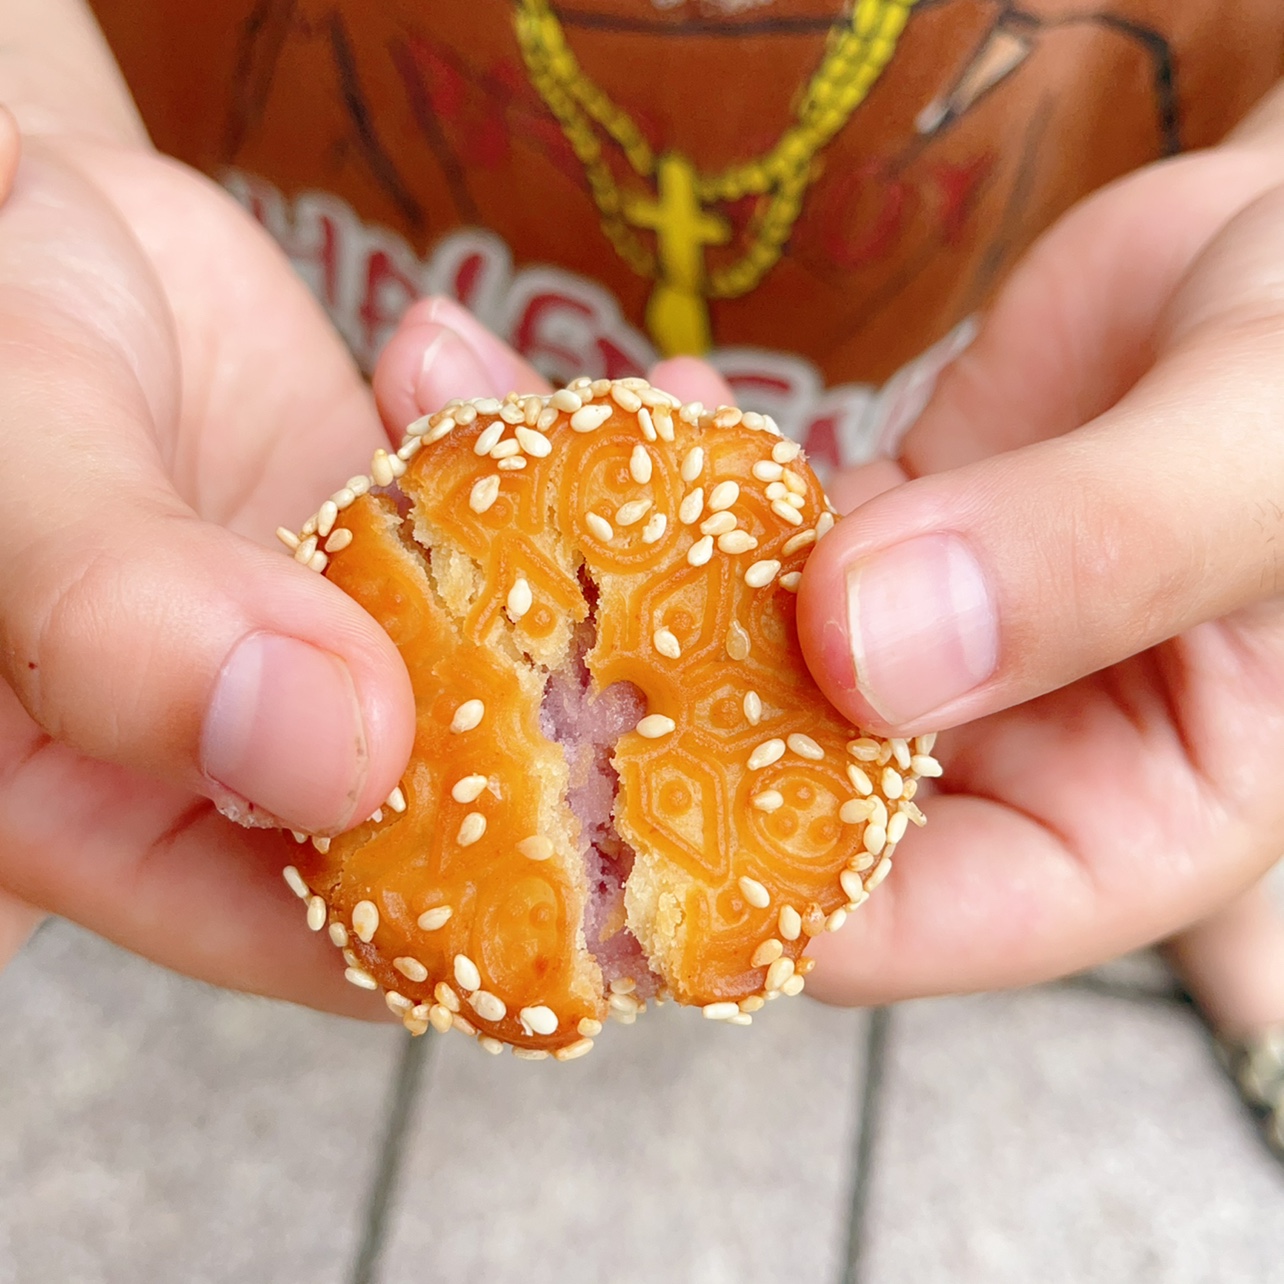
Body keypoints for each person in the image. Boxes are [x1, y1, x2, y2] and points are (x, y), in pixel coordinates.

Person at [1, 0, 1283, 1145]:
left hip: (1022, 357)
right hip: (285, 304)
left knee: (1175, 584)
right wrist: (57, 155)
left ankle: (1232, 876)